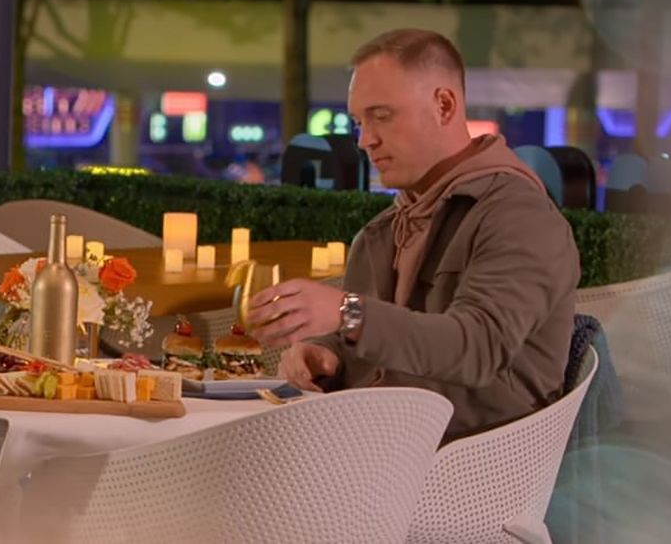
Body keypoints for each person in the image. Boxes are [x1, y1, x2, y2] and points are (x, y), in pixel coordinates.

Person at [246, 28, 580, 440]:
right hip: (379, 448)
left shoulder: (518, 214)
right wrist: (326, 353)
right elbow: (382, 343)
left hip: (468, 469)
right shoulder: (382, 231)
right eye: (358, 122)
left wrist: (348, 313)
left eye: (382, 115)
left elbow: (478, 348)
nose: (365, 140)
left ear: (444, 105)